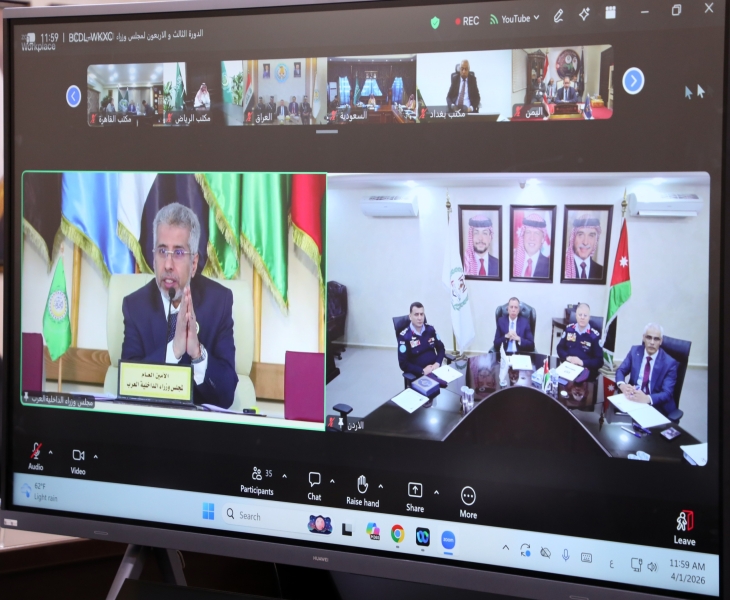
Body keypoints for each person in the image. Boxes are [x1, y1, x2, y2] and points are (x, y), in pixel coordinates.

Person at [121, 203, 238, 408]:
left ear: (194, 264)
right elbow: (128, 386)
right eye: (162, 251)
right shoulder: (135, 307)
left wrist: (197, 354)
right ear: (154, 259)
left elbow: (227, 395)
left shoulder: (218, 303)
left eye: (178, 253)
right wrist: (173, 350)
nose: (168, 264)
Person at [614, 324, 679, 418]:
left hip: (656, 405)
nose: (652, 342)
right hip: (634, 399)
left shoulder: (669, 363)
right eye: (649, 337)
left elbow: (667, 393)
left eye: (656, 339)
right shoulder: (634, 351)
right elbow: (621, 370)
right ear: (643, 338)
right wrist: (622, 385)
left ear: (661, 341)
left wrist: (647, 398)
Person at [397, 302, 445, 377]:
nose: (420, 318)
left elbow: (441, 348)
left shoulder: (430, 330)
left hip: (436, 370)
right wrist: (422, 371)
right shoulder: (404, 337)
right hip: (419, 375)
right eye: (416, 314)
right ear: (410, 316)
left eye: (421, 314)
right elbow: (403, 364)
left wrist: (437, 363)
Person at [556, 302, 603, 377]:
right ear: (576, 316)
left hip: (585, 370)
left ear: (589, 317)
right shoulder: (569, 329)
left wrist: (582, 362)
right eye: (580, 315)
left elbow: (599, 361)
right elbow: (559, 348)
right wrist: (568, 357)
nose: (582, 317)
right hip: (568, 367)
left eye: (585, 315)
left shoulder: (594, 336)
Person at [564, 213, 604, 280]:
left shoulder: (602, 271)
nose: (585, 242)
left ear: (596, 240)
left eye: (591, 236)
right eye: (580, 235)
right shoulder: (563, 268)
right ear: (573, 238)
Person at [513, 213, 550, 278]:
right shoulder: (512, 262)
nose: (532, 238)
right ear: (523, 236)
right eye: (528, 232)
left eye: (536, 233)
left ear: (542, 239)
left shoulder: (550, 266)